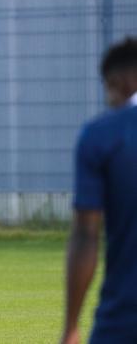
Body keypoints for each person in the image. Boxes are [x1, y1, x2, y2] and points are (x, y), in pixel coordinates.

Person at [60, 37, 137, 344]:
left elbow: (86, 235)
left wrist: (71, 326)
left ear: (120, 81)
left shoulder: (103, 134)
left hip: (125, 317)